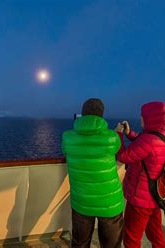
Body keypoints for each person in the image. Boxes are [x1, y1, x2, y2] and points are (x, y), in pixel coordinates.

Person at [62, 98, 125, 248]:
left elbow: (65, 151)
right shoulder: (112, 137)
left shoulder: (67, 137)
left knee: (80, 244)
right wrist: (119, 133)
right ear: (101, 115)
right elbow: (118, 150)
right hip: (110, 202)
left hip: (82, 201)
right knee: (111, 245)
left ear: (82, 114)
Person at [115, 101, 165, 248]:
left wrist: (119, 135)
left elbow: (122, 157)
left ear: (151, 118)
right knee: (156, 234)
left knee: (131, 238)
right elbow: (143, 142)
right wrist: (129, 133)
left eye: (143, 117)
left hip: (140, 200)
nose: (141, 119)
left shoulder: (148, 140)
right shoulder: (164, 136)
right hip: (154, 197)